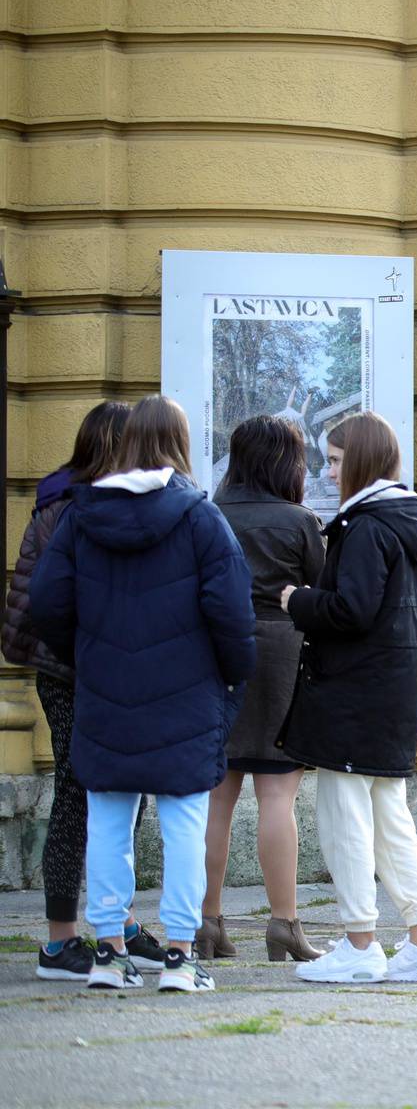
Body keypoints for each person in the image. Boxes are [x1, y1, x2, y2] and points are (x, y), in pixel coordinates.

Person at [29, 396, 254, 993]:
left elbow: (46, 604)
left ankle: (106, 953)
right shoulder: (201, 518)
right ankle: (180, 955)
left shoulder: (80, 515)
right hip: (187, 693)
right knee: (183, 823)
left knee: (107, 820)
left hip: (105, 689)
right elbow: (232, 614)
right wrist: (233, 677)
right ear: (180, 444)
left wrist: (88, 652)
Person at [279, 411, 417, 984]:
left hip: (353, 692)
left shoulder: (366, 526)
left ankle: (359, 944)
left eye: (334, 460)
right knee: (389, 816)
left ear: (359, 460)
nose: (327, 473)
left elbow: (350, 610)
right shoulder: (403, 520)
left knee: (344, 817)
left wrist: (297, 600)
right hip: (392, 690)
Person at [3, 400, 141, 982]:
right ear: (116, 447)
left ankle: (113, 926)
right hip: (76, 673)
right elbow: (51, 602)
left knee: (111, 796)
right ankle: (62, 942)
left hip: (75, 670)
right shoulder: (74, 508)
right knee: (81, 794)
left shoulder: (62, 500)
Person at [203, 415, 325, 963]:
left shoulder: (209, 512)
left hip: (215, 657)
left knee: (215, 797)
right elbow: (323, 597)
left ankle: (205, 924)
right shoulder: (301, 520)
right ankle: (284, 925)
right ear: (287, 462)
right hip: (282, 658)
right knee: (278, 797)